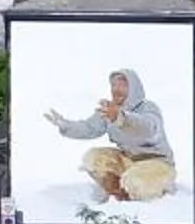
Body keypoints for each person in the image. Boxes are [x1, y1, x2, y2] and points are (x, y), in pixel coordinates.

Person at [45, 68, 176, 204]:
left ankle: (156, 190)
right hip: (129, 161)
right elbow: (89, 128)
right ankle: (118, 195)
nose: (116, 89)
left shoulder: (147, 107)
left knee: (135, 182)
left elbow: (148, 128)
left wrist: (121, 118)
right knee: (93, 158)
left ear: (134, 88)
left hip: (157, 163)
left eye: (122, 85)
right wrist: (65, 125)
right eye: (114, 85)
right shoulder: (110, 109)